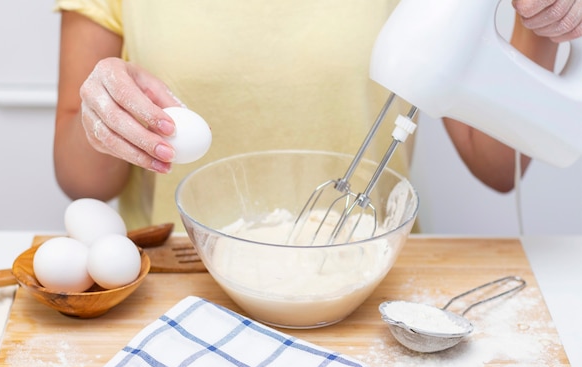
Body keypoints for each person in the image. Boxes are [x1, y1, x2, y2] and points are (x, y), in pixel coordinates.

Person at [53, 0, 578, 231]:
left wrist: (539, 20)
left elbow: (497, 162)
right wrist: (104, 115)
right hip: (176, 279)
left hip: (361, 278)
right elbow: (81, 180)